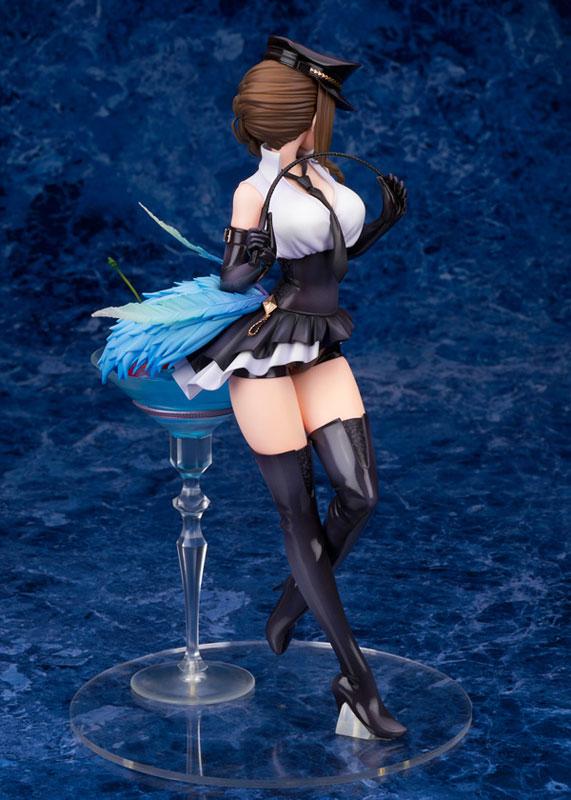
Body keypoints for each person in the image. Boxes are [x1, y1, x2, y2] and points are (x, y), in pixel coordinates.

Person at [94, 35, 408, 739]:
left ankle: (293, 601)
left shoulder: (323, 174)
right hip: (267, 352)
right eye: (320, 106)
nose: (325, 118)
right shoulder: (253, 188)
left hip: (320, 342)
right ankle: (356, 682)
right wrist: (250, 244)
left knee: (359, 496)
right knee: (299, 514)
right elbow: (237, 277)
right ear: (302, 114)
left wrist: (378, 225)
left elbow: (330, 258)